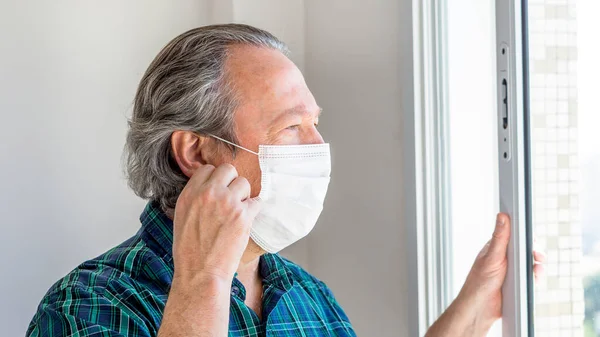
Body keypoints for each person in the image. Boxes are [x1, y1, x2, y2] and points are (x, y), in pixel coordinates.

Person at [26, 24, 545, 337]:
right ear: (196, 152)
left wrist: (473, 313)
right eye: (291, 127)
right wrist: (203, 283)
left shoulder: (304, 296)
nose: (319, 147)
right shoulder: (87, 306)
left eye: (315, 123)